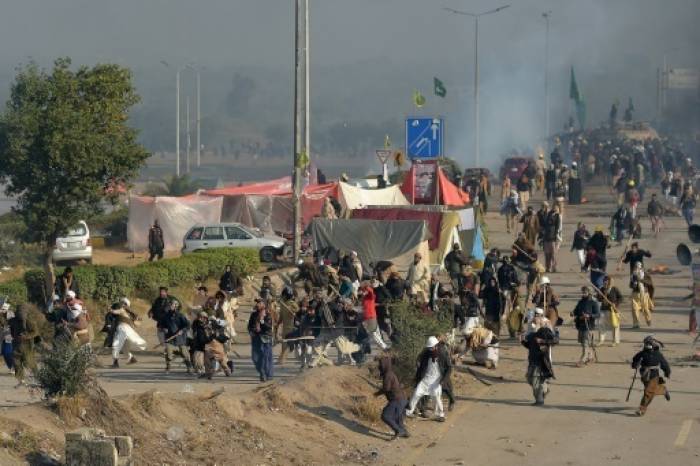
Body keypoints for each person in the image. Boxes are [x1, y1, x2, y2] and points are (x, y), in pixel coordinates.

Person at [405, 336, 448, 422]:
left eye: (431, 348)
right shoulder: (426, 354)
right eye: (429, 348)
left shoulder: (443, 354)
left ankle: (441, 415)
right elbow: (421, 367)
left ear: (436, 345)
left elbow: (449, 367)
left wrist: (443, 380)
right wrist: (417, 377)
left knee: (436, 396)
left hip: (436, 380)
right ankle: (408, 412)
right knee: (416, 393)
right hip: (426, 379)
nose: (430, 349)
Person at [631, 336, 671, 416]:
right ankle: (663, 390)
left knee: (648, 392)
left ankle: (641, 409)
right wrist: (635, 365)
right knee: (651, 391)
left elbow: (664, 364)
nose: (647, 345)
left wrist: (667, 372)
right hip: (644, 375)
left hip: (654, 375)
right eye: (646, 343)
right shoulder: (642, 353)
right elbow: (634, 360)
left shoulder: (658, 354)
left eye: (649, 343)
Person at [375, 356, 410, 440]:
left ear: (385, 365)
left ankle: (399, 431)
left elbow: (386, 388)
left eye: (381, 364)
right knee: (398, 418)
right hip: (402, 399)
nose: (379, 366)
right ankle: (404, 432)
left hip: (397, 400)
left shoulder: (388, 375)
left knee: (385, 416)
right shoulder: (390, 373)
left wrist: (377, 393)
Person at [522, 327, 558, 405]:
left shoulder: (546, 334)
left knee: (535, 382)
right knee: (529, 379)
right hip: (531, 362)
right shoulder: (532, 336)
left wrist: (542, 341)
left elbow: (555, 341)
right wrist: (522, 341)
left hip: (540, 364)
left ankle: (539, 400)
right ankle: (544, 389)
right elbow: (528, 346)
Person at [104, 299, 145, 368]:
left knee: (115, 345)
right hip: (128, 331)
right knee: (125, 349)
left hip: (123, 329)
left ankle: (115, 363)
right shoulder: (130, 313)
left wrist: (110, 309)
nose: (120, 304)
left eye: (122, 303)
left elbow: (115, 312)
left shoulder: (123, 310)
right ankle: (132, 359)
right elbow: (138, 322)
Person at [158, 300, 192, 373]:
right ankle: (168, 367)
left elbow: (188, 325)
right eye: (170, 305)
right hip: (170, 338)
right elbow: (160, 326)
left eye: (172, 305)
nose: (170, 306)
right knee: (168, 352)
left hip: (180, 338)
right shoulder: (166, 316)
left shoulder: (180, 315)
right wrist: (164, 329)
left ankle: (189, 367)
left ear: (176, 306)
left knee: (184, 353)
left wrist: (182, 330)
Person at [8, 305, 37, 385]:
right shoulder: (13, 321)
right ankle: (21, 378)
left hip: (28, 344)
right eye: (19, 312)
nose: (20, 314)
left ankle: (37, 375)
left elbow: (35, 332)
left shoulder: (30, 321)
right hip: (17, 343)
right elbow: (11, 329)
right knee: (16, 360)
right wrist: (15, 336)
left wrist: (26, 336)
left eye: (22, 312)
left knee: (29, 361)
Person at [572, 287, 600, 367]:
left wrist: (589, 316)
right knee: (583, 342)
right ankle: (590, 357)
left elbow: (598, 314)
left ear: (589, 293)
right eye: (583, 292)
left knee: (585, 343)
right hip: (580, 325)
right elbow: (576, 310)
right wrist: (573, 313)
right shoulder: (581, 301)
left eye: (585, 292)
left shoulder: (593, 302)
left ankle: (583, 359)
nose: (583, 293)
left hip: (589, 326)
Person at [248, 299, 274, 381]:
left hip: (265, 338)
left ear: (264, 305)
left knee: (265, 357)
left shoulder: (268, 315)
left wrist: (262, 320)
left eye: (259, 303)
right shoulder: (253, 314)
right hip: (256, 338)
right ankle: (262, 372)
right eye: (257, 303)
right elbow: (249, 326)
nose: (257, 304)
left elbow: (269, 327)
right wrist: (251, 331)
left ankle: (267, 374)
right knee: (255, 357)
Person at [360, 281, 389, 350]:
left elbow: (371, 293)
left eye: (363, 289)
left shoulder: (370, 295)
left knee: (374, 333)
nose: (362, 292)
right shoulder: (365, 297)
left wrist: (367, 287)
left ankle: (384, 347)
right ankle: (383, 346)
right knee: (376, 332)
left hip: (370, 316)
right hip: (369, 316)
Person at [598, 275, 622, 346]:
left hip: (613, 310)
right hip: (604, 309)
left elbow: (620, 298)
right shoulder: (602, 289)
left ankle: (615, 341)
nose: (605, 282)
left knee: (615, 325)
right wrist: (600, 296)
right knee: (601, 324)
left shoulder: (614, 289)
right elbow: (598, 299)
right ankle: (601, 340)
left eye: (606, 281)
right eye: (604, 281)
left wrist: (615, 304)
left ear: (610, 282)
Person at [277, 286, 299, 364]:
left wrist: (292, 310)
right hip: (285, 326)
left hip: (291, 326)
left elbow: (298, 310)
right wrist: (278, 322)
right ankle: (282, 358)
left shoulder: (292, 303)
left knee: (287, 343)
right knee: (284, 343)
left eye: (284, 295)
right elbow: (281, 315)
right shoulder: (283, 304)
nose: (283, 297)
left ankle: (282, 359)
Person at [630, 263, 654, 328]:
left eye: (639, 267)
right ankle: (636, 324)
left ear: (642, 268)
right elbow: (630, 285)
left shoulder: (645, 274)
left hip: (644, 293)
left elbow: (650, 283)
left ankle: (648, 319)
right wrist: (633, 284)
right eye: (636, 267)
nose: (637, 269)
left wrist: (641, 280)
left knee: (645, 308)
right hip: (635, 294)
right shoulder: (633, 275)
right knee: (634, 309)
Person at [542, 204, 561, 273]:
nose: (555, 209)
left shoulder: (557, 216)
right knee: (547, 254)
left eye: (556, 208)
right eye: (554, 207)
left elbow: (557, 227)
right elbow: (544, 222)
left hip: (553, 238)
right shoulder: (548, 214)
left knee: (553, 254)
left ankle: (554, 267)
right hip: (546, 237)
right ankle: (547, 267)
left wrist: (556, 237)